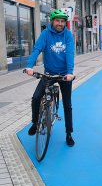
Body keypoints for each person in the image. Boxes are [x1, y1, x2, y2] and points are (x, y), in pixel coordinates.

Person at [25, 9, 75, 147]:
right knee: (36, 98)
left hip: (64, 74)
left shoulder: (68, 35)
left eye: (62, 21)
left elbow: (70, 53)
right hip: (49, 73)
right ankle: (35, 122)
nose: (60, 23)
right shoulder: (46, 34)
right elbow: (37, 49)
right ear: (52, 21)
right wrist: (30, 66)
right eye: (57, 21)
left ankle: (69, 133)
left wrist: (70, 72)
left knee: (67, 105)